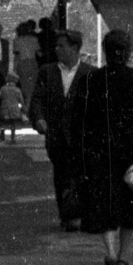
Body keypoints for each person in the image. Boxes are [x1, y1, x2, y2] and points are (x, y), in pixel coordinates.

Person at [68, 29, 133, 265]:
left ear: (105, 51)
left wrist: (81, 155)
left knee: (105, 206)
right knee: (130, 208)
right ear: (128, 52)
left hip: (100, 155)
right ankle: (123, 258)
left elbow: (78, 121)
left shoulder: (90, 80)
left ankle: (109, 253)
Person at [29, 29, 93, 230]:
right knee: (62, 176)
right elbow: (37, 99)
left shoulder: (91, 73)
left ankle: (79, 215)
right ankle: (68, 217)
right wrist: (39, 118)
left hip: (83, 136)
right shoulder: (47, 72)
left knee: (82, 175)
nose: (56, 50)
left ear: (74, 48)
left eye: (61, 46)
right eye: (56, 46)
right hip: (56, 135)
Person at [11, 19, 40, 109]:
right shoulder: (34, 39)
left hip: (22, 64)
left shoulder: (17, 40)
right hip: (33, 63)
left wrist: (14, 69)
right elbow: (39, 54)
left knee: (24, 87)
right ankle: (29, 107)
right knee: (31, 87)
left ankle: (25, 108)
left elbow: (17, 56)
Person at [0, 71, 28, 140]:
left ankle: (2, 134)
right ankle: (12, 138)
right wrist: (24, 109)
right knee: (13, 123)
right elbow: (21, 101)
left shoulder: (3, 88)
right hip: (14, 109)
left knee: (3, 122)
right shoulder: (18, 90)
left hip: (4, 108)